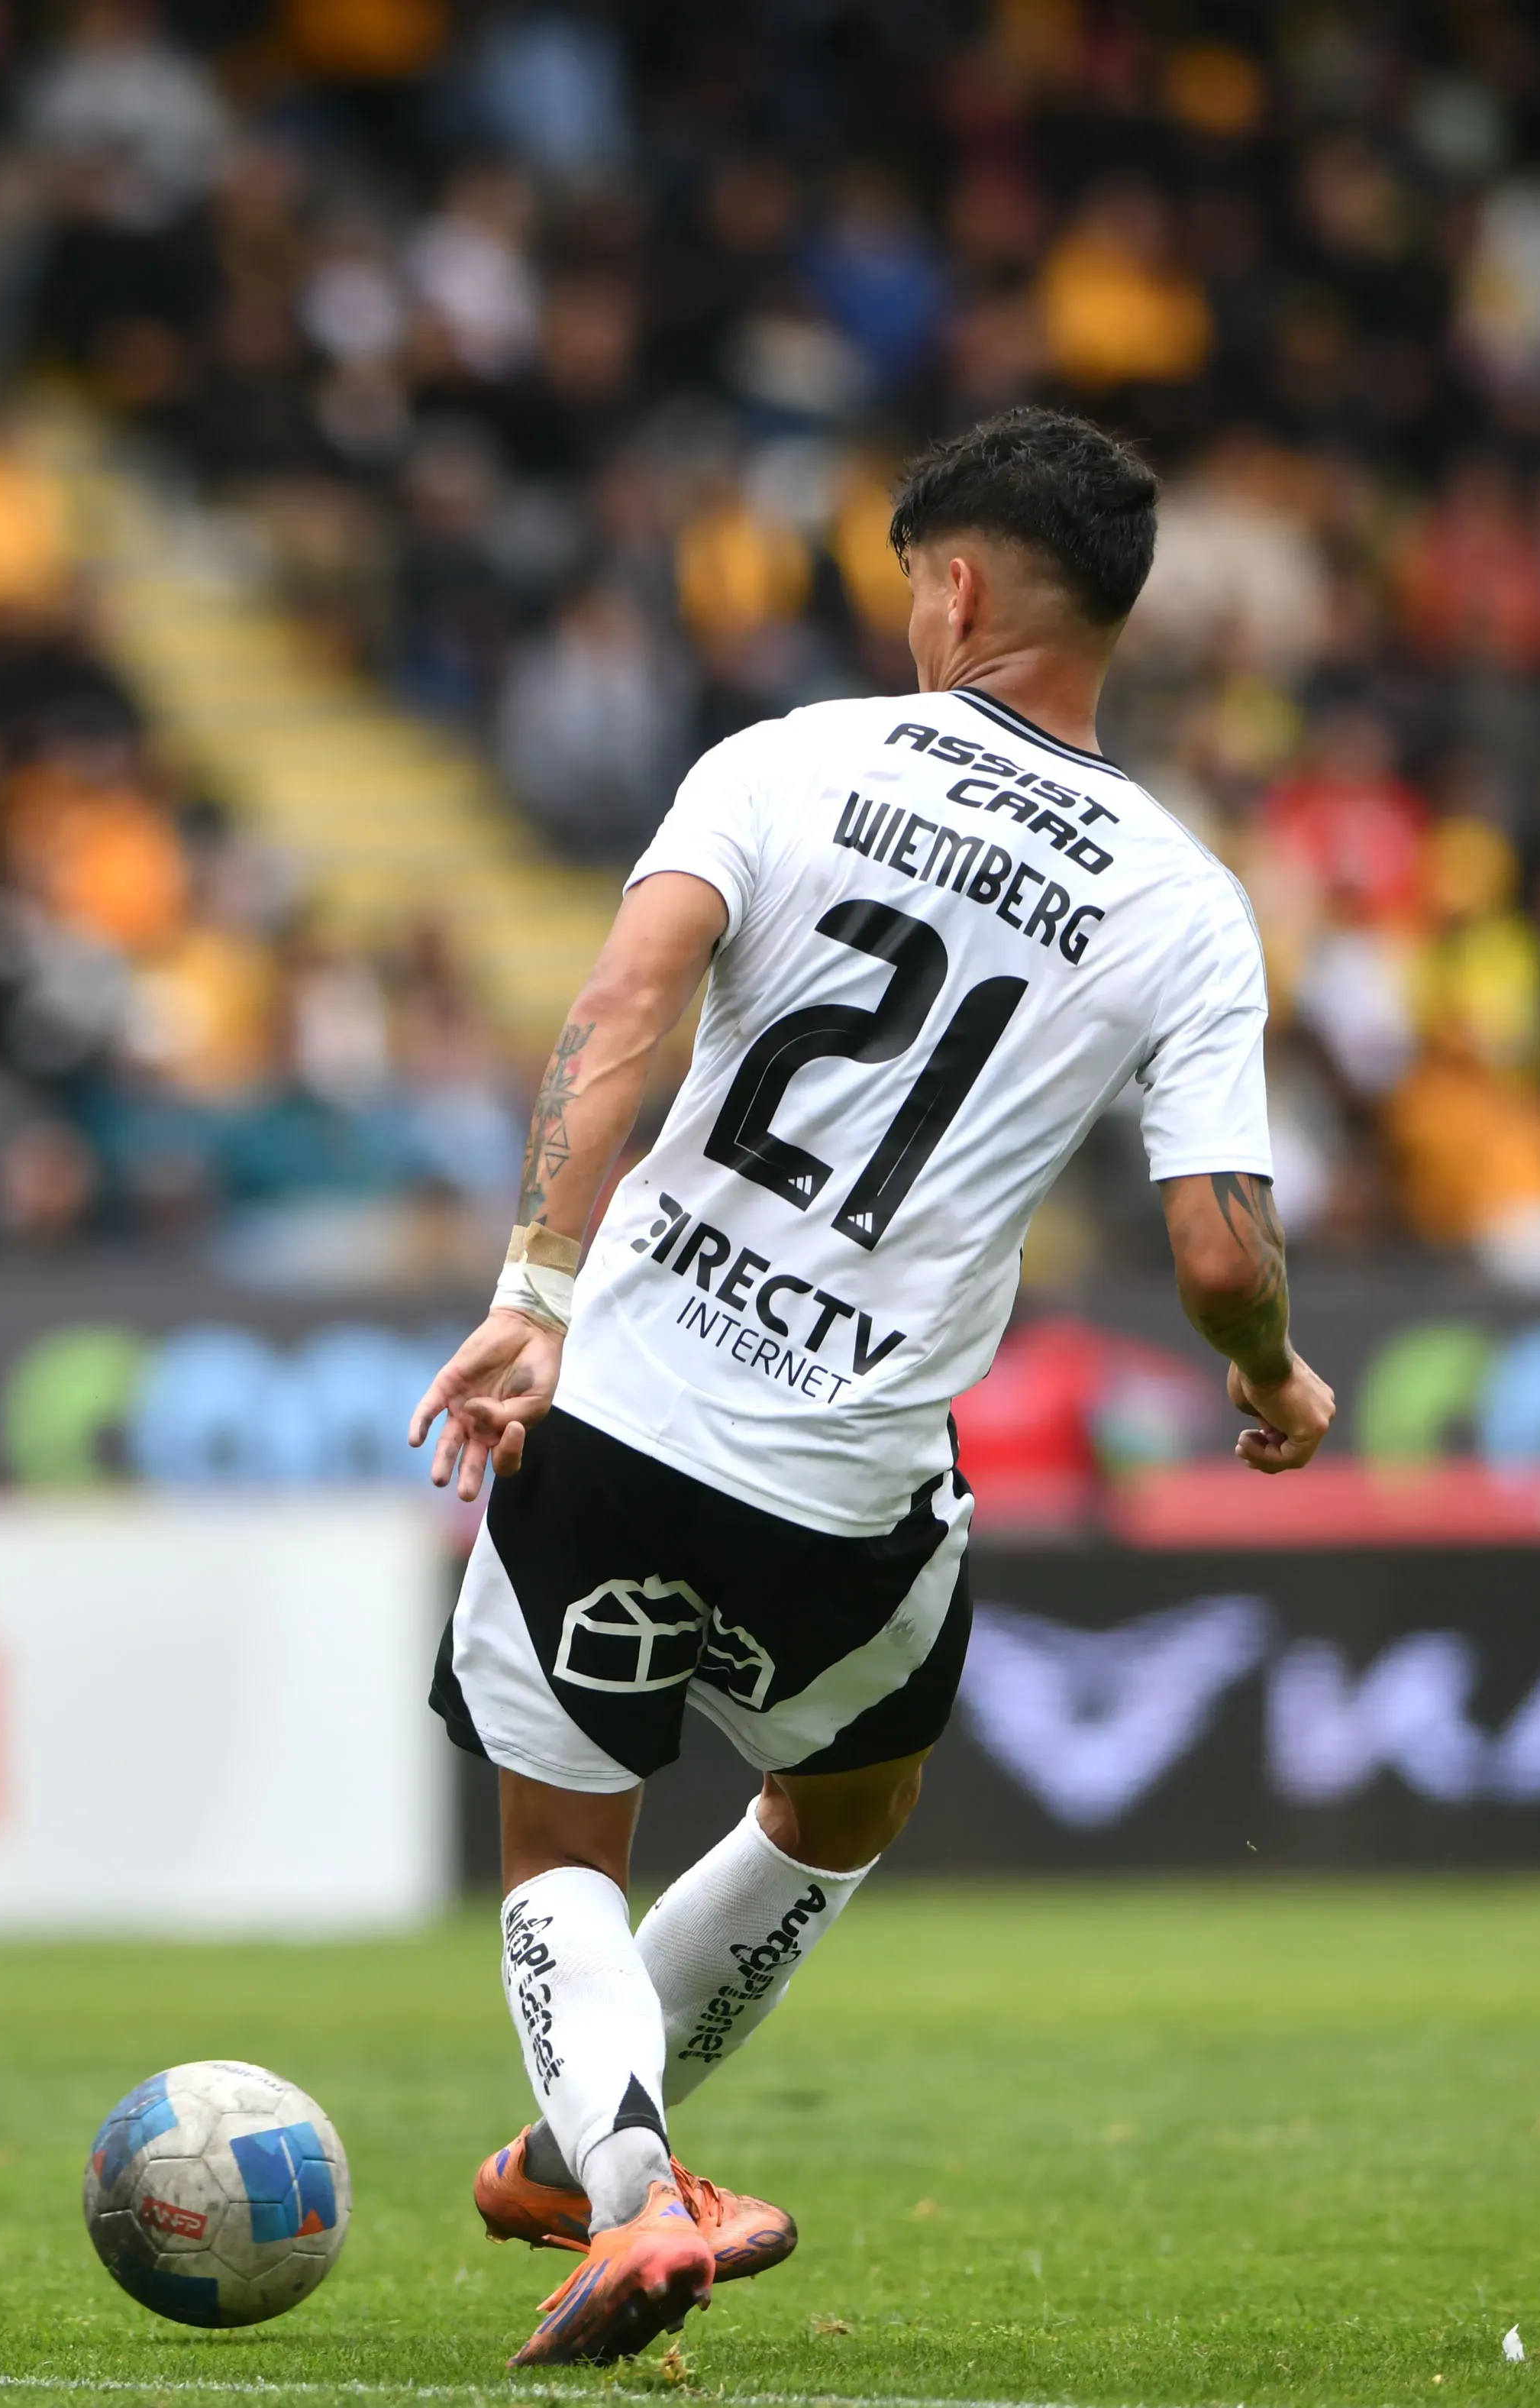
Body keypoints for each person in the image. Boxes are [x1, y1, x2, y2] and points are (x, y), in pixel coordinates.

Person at [408, 408, 1331, 2367]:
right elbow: (1220, 1250)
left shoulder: (786, 758)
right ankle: (598, 2161)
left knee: (563, 1846)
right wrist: (1272, 1381)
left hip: (621, 1402)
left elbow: (619, 1010)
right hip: (848, 1478)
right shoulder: (1181, 900)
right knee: (846, 1804)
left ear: (961, 585)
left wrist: (530, 1289)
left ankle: (619, 2168)